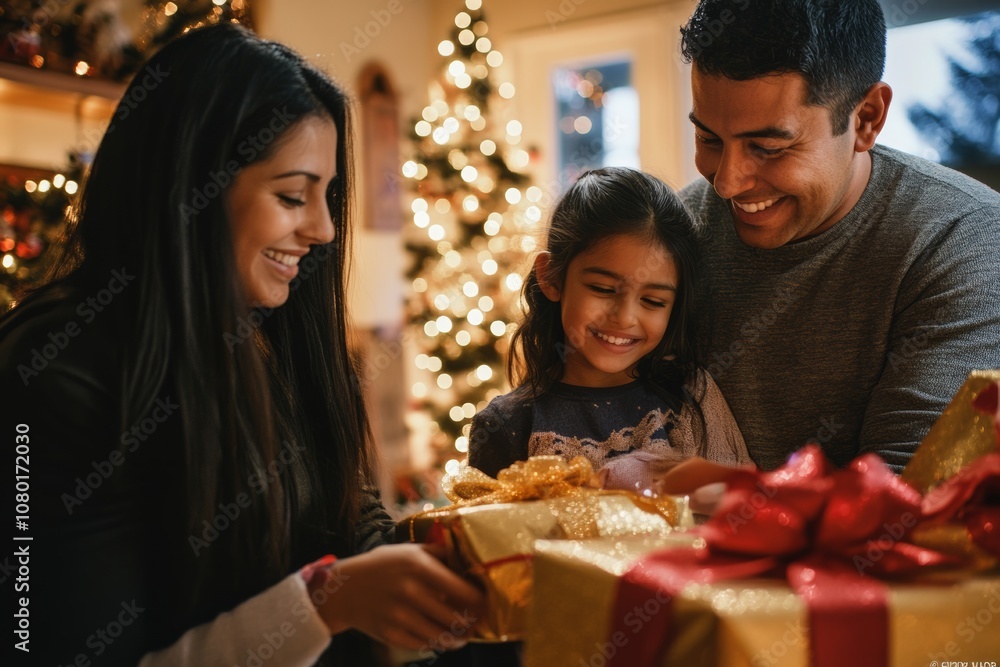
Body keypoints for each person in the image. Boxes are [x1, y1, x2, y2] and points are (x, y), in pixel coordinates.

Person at [0, 23, 483, 666]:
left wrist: (484, 547)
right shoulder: (58, 377)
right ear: (189, 189)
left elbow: (352, 517)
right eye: (292, 195)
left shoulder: (270, 333)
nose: (323, 229)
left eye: (327, 196)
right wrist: (324, 602)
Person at [677, 0, 1000, 474]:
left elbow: (907, 496)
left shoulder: (962, 240)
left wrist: (725, 490)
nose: (727, 182)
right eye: (709, 140)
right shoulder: (677, 231)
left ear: (866, 118)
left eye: (768, 148)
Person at [469, 167, 751, 491]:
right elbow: (485, 536)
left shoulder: (691, 397)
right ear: (551, 278)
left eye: (653, 301)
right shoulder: (507, 426)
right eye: (603, 289)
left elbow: (741, 506)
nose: (625, 317)